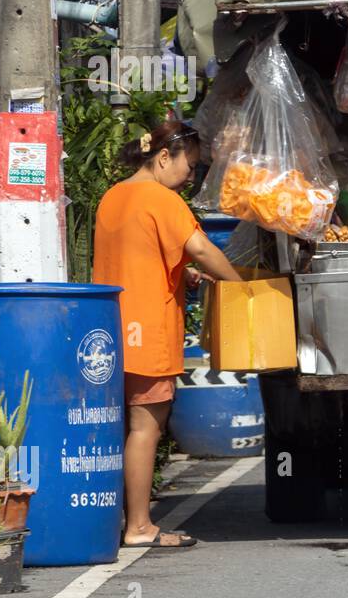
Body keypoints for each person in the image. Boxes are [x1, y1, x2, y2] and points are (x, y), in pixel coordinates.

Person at [93, 121, 243, 549]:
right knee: (146, 427)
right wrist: (238, 285)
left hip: (109, 331)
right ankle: (139, 526)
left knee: (120, 425)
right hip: (149, 330)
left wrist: (185, 275)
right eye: (190, 166)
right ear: (164, 157)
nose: (191, 176)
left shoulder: (113, 196)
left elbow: (139, 254)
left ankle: (121, 519)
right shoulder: (162, 198)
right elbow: (201, 247)